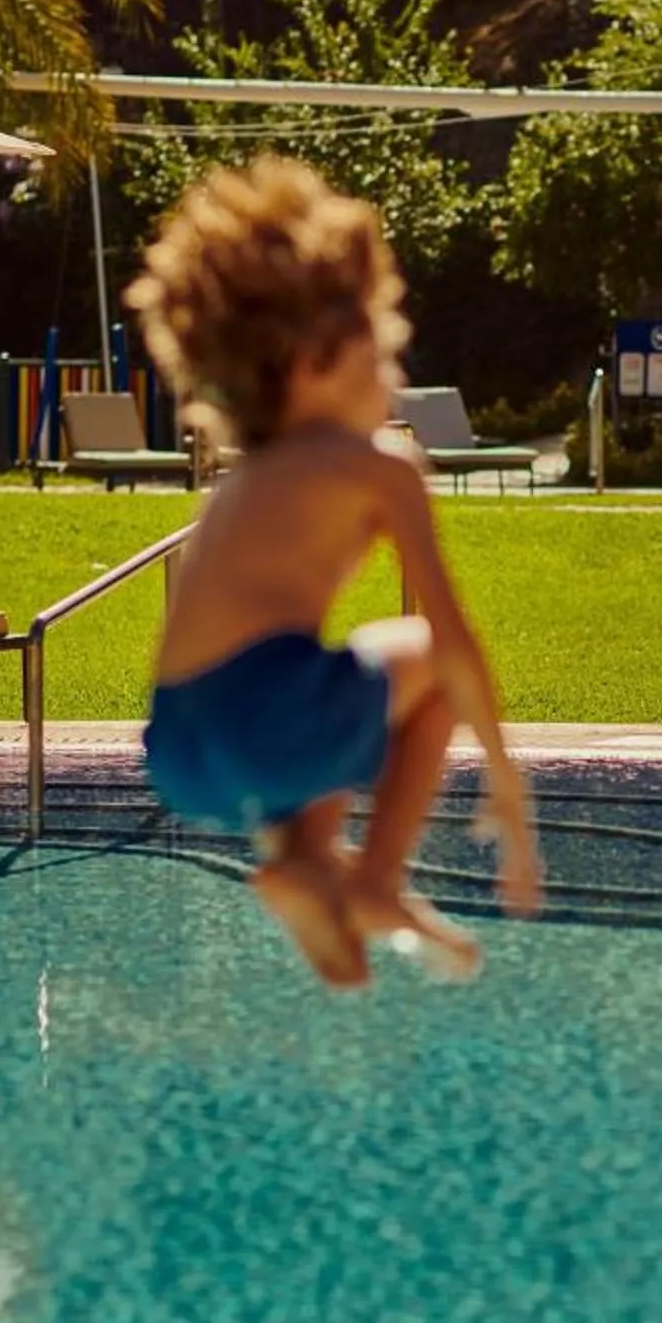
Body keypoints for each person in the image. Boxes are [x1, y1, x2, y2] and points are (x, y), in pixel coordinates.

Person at [124, 157, 540, 990]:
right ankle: (376, 878)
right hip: (265, 718)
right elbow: (455, 643)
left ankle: (309, 865)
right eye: (379, 359)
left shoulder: (242, 480)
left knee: (324, 676)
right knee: (418, 657)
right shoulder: (378, 468)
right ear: (311, 362)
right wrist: (506, 786)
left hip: (179, 747)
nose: (395, 381)